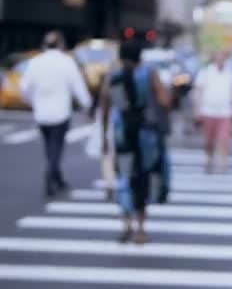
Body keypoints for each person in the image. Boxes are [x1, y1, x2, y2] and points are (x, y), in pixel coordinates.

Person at [100, 40, 170, 244]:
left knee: (124, 176)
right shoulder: (149, 74)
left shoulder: (113, 76)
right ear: (141, 55)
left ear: (121, 56)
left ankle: (125, 223)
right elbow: (165, 101)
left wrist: (105, 136)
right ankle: (141, 229)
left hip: (122, 134)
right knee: (142, 179)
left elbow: (104, 106)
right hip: (146, 135)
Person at [20, 31, 92, 197]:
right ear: (61, 44)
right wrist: (88, 107)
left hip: (41, 113)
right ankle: (51, 175)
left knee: (49, 147)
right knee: (56, 148)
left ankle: (56, 177)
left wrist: (34, 102)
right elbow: (78, 88)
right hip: (60, 113)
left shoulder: (35, 63)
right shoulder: (67, 62)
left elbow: (24, 89)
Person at [193, 50, 232, 173]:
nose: (221, 59)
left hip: (225, 112)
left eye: (223, 57)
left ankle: (223, 162)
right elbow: (198, 91)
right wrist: (197, 109)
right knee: (208, 140)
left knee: (224, 138)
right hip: (208, 111)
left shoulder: (229, 73)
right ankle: (209, 158)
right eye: (219, 57)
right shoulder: (206, 72)